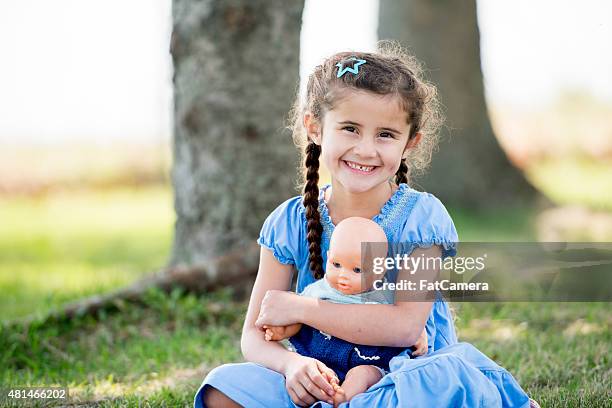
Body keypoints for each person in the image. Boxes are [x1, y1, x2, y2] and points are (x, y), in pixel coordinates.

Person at [195, 42, 536, 407]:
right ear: (314, 128)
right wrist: (292, 364)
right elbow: (254, 335)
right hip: (323, 374)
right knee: (222, 387)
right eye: (350, 128)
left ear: (410, 143)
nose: (366, 149)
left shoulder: (421, 219)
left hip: (404, 374)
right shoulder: (289, 221)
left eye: (385, 134)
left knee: (440, 380)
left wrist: (301, 309)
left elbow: (405, 326)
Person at [263, 217, 428, 407]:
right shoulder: (317, 291)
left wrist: (419, 332)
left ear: (380, 270)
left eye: (357, 270)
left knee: (363, 374)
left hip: (368, 360)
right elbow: (299, 318)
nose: (343, 275)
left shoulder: (385, 295)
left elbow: (407, 320)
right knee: (316, 372)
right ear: (328, 255)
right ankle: (327, 389)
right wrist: (284, 331)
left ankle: (342, 397)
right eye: (336, 264)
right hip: (322, 357)